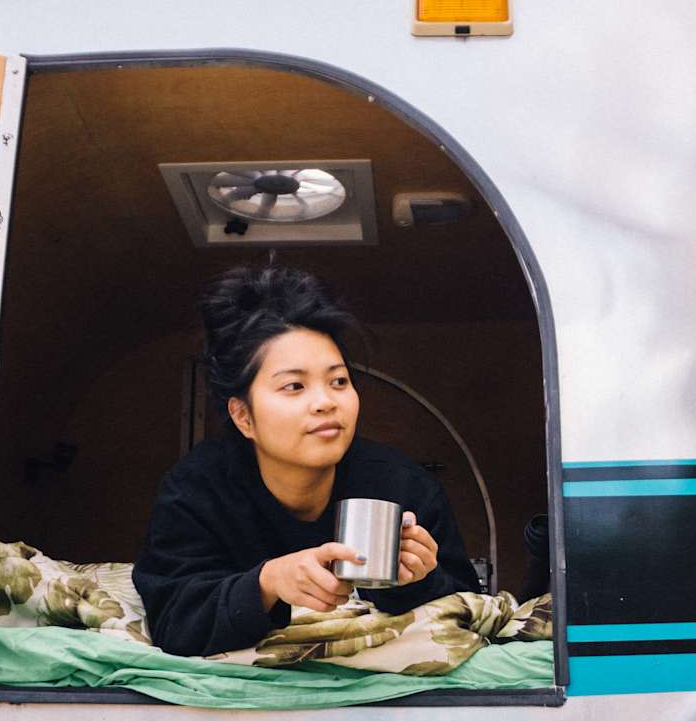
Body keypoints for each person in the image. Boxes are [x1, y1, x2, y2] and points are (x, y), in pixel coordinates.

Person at [132, 265, 479, 656]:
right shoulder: (196, 490)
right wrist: (267, 583)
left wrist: (419, 578)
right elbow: (173, 621)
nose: (326, 402)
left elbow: (469, 611)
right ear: (243, 416)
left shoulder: (404, 488)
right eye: (294, 386)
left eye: (339, 381)